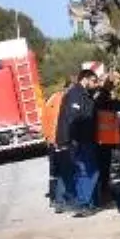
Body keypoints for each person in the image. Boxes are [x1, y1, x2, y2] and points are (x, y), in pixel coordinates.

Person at [56, 68, 101, 216]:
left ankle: (86, 203)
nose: (95, 84)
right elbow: (72, 118)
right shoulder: (75, 94)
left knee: (85, 172)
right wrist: (70, 140)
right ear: (85, 79)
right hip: (80, 140)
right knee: (88, 171)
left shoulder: (84, 94)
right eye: (94, 81)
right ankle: (83, 204)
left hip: (84, 139)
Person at [93, 70, 120, 207]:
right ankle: (105, 199)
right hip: (102, 140)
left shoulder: (102, 95)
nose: (119, 82)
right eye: (117, 79)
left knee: (104, 170)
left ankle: (106, 194)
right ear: (109, 79)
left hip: (105, 140)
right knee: (103, 170)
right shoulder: (102, 95)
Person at [43, 78, 72, 206]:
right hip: (58, 139)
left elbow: (45, 118)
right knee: (65, 170)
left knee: (56, 171)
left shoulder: (53, 97)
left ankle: (55, 198)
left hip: (51, 139)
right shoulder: (64, 100)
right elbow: (59, 121)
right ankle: (60, 200)